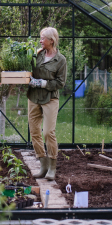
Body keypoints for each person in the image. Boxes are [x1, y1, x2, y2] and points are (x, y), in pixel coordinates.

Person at [27, 27, 67, 181]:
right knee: (35, 131)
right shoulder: (36, 54)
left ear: (52, 40)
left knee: (48, 132)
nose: (40, 40)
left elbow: (61, 82)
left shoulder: (61, 60)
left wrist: (43, 83)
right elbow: (27, 70)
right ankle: (42, 164)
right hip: (34, 97)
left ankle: (52, 166)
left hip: (50, 98)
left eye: (43, 38)